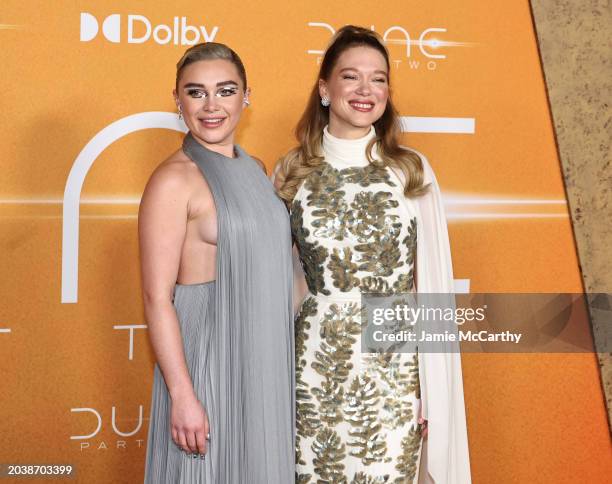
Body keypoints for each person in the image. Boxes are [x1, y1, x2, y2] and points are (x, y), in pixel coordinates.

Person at [275, 26, 471, 483]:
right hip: (313, 369)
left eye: (378, 79)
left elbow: (433, 287)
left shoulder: (410, 170)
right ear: (325, 88)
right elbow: (282, 284)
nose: (366, 91)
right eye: (351, 77)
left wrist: (433, 392)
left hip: (394, 370)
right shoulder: (292, 170)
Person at [139, 42, 294, 483]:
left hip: (262, 352)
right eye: (196, 92)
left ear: (246, 96)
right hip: (206, 354)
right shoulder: (173, 179)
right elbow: (155, 297)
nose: (211, 106)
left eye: (225, 91)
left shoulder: (257, 169)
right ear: (177, 100)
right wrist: (182, 395)